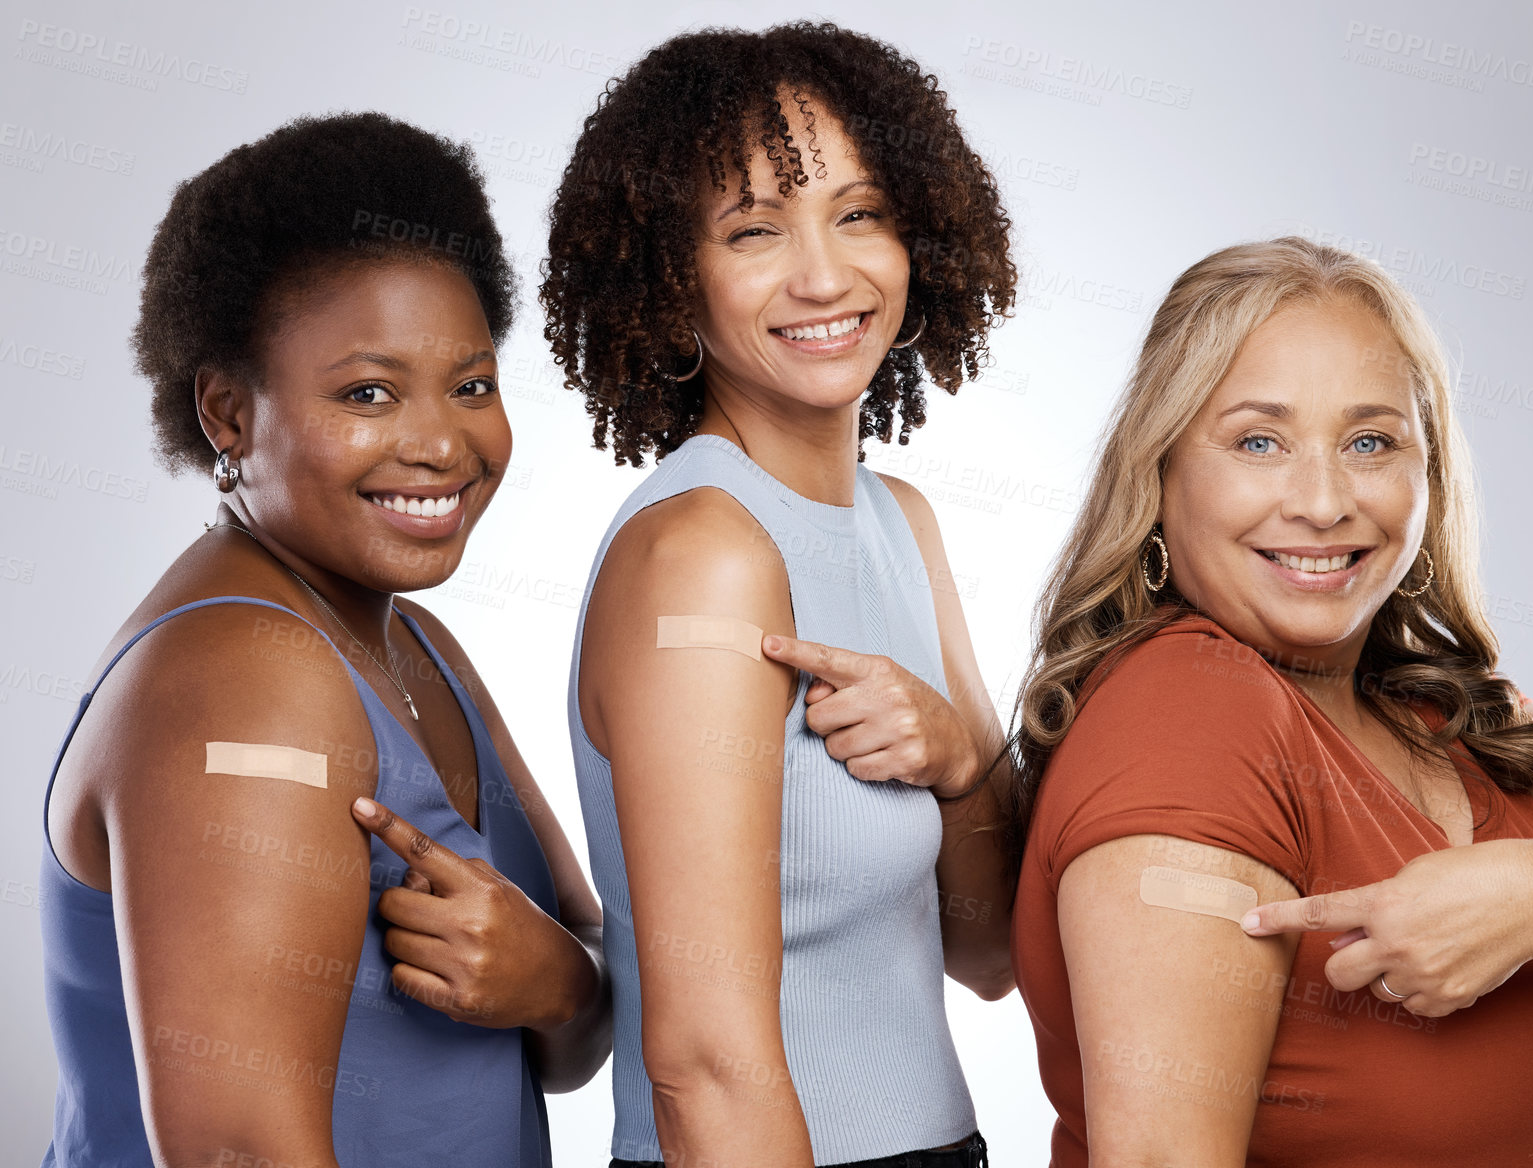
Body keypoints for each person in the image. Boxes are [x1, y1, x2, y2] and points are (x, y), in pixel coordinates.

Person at [1006, 237, 1533, 1167]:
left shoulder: (1433, 707)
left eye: (1370, 442)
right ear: (1159, 470)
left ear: (1428, 477)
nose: (1323, 501)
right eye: (1258, 441)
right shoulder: (1193, 711)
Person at [39, 111, 611, 1168]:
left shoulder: (418, 645)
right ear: (226, 412)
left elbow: (571, 1000)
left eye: (472, 384)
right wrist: (567, 993)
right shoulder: (244, 682)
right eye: (368, 392)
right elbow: (239, 1154)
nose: (443, 442)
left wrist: (558, 983)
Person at [540, 21, 1017, 1168]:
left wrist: (957, 758)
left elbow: (992, 951)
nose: (823, 275)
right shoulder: (702, 551)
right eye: (752, 231)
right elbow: (703, 1064)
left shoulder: (899, 521)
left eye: (859, 213)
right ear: (668, 279)